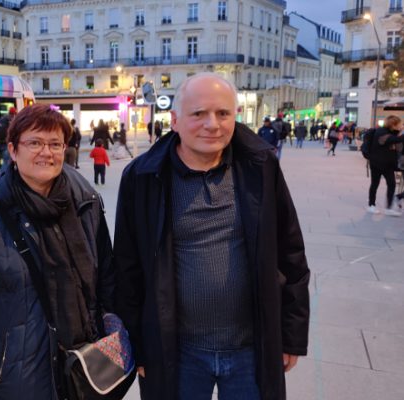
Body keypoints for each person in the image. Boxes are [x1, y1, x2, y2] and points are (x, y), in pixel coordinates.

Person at [114, 73, 310, 400]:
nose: (212, 124)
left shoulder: (260, 166)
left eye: (223, 113)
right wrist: (137, 343)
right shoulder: (143, 178)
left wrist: (290, 336)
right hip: (177, 351)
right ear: (175, 121)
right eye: (198, 114)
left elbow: (291, 253)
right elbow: (127, 266)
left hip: (252, 348)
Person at [0, 104, 116, 399]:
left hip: (84, 370)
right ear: (13, 151)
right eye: (35, 143)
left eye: (55, 144)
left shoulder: (86, 206)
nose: (47, 152)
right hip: (19, 380)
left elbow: (107, 283)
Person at [366, 115, 404, 216]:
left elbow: (398, 145)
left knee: (391, 184)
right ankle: (371, 205)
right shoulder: (381, 132)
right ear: (393, 124)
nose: (401, 125)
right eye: (399, 124)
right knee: (375, 184)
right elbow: (392, 140)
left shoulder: (391, 132)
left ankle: (388, 208)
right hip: (377, 163)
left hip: (388, 164)